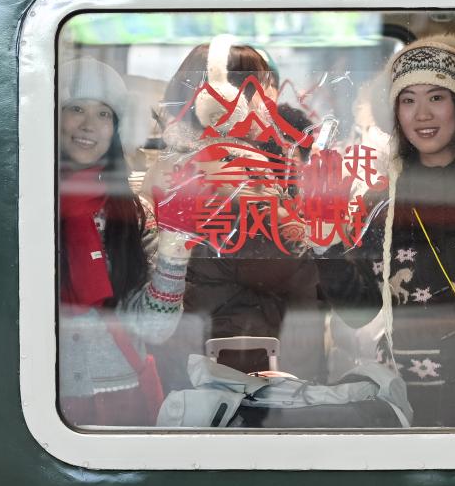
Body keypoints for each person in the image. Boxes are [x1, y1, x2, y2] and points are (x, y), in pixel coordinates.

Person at [145, 36, 382, 393]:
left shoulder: (184, 162)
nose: (272, 97)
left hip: (210, 361)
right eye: (263, 86)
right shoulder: (233, 173)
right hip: (245, 374)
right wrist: (327, 233)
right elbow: (312, 279)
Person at [360, 35, 455, 427]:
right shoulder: (380, 199)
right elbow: (357, 309)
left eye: (437, 97)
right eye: (408, 100)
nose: (422, 114)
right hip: (408, 390)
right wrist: (325, 246)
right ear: (394, 112)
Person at [57, 57, 195, 426]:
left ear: (116, 129)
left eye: (104, 114)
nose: (89, 124)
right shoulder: (25, 208)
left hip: (121, 396)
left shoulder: (133, 214)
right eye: (76, 109)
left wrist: (174, 254)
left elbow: (155, 330)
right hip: (34, 393)